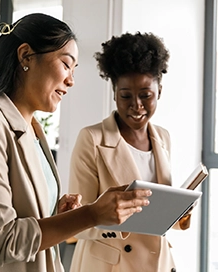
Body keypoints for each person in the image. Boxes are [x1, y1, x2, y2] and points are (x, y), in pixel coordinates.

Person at [0, 14, 153, 272]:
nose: (71, 80)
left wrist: (57, 214)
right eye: (66, 64)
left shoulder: (32, 130)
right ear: (25, 56)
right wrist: (89, 215)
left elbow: (20, 216)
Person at [68, 32, 193, 272]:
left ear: (159, 92)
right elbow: (76, 222)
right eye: (126, 96)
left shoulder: (163, 138)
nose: (136, 105)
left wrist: (179, 213)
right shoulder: (91, 139)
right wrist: (117, 218)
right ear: (115, 93)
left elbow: (156, 214)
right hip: (111, 265)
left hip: (158, 263)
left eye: (146, 96)